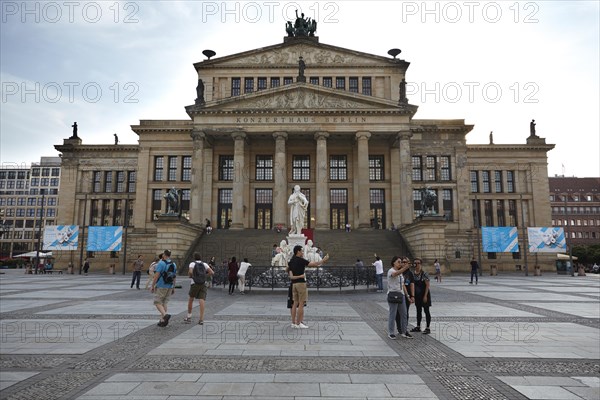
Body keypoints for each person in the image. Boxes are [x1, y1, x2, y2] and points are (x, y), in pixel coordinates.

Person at [288, 245, 329, 329]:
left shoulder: (291, 261)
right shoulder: (301, 260)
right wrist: (323, 260)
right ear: (298, 251)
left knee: (295, 303)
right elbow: (314, 264)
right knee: (301, 303)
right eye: (302, 251)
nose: (303, 252)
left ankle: (293, 323)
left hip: (294, 284)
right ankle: (299, 323)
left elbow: (287, 270)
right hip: (301, 283)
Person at [184, 252, 214, 325]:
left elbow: (190, 271)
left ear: (194, 257)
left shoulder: (192, 264)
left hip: (194, 283)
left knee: (191, 299)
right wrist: (204, 276)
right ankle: (201, 319)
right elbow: (212, 272)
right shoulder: (204, 264)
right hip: (203, 283)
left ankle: (189, 317)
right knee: (202, 300)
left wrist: (192, 276)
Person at [387, 256, 413, 339]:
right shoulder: (391, 271)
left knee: (404, 314)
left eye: (400, 262)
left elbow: (402, 285)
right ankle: (391, 332)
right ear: (393, 262)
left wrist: (407, 295)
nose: (400, 263)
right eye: (398, 262)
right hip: (393, 294)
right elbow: (394, 274)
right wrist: (404, 268)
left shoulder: (400, 272)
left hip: (401, 295)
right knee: (393, 314)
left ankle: (404, 331)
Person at [151, 250, 176, 327]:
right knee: (164, 302)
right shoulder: (173, 264)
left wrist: (152, 285)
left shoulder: (161, 263)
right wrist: (173, 287)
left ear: (164, 255)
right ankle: (162, 320)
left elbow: (156, 275)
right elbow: (174, 277)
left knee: (157, 302)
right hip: (170, 285)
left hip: (161, 285)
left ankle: (165, 316)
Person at [410, 258, 432, 334]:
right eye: (415, 263)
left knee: (426, 311)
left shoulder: (424, 274)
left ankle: (428, 327)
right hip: (417, 296)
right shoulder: (413, 274)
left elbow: (427, 285)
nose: (417, 264)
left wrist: (425, 296)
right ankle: (418, 326)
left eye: (418, 263)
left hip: (424, 294)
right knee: (418, 311)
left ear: (421, 264)